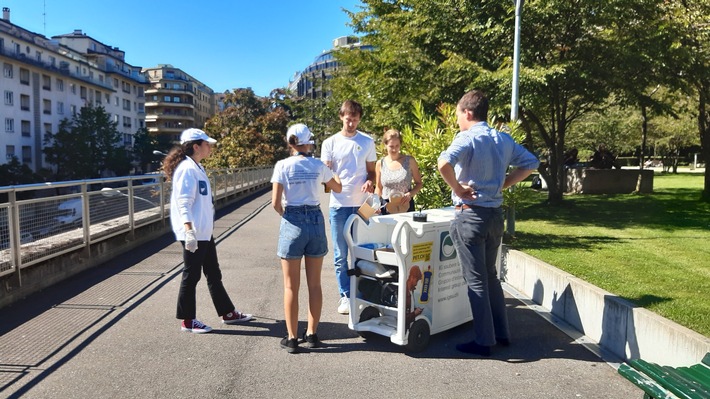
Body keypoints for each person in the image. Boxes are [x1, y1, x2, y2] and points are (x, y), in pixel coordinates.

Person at [437, 90, 539, 356]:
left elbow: (443, 162)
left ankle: (484, 341)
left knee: (476, 281)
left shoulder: (467, 137)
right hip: (495, 217)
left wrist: (458, 189)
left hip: (470, 216)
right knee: (491, 277)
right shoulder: (502, 139)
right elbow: (531, 162)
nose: (458, 120)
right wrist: (504, 183)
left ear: (467, 113)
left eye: (458, 114)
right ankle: (501, 333)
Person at [163, 128, 253, 334]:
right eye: (207, 144)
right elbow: (183, 202)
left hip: (203, 232)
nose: (210, 147)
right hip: (194, 233)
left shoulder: (197, 167)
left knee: (213, 272)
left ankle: (227, 312)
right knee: (191, 274)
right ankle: (188, 320)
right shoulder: (187, 169)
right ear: (196, 146)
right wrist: (188, 231)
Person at [271, 124, 342, 353]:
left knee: (291, 286)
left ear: (290, 143)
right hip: (315, 219)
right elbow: (338, 188)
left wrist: (288, 217)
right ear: (308, 142)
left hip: (292, 219)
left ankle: (292, 338)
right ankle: (312, 334)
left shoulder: (282, 166)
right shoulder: (318, 165)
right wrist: (331, 171)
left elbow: (275, 202)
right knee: (315, 284)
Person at [320, 100, 377, 315]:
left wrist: (370, 181)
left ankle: (363, 293)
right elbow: (325, 174)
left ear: (359, 119)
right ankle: (345, 295)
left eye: (354, 118)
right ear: (341, 117)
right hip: (339, 205)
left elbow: (372, 171)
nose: (350, 122)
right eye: (347, 118)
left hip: (364, 205)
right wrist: (331, 180)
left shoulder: (367, 141)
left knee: (364, 251)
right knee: (340, 254)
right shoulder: (330, 143)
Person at [375, 129, 423, 215]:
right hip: (386, 207)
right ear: (385, 145)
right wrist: (375, 205)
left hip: (405, 205)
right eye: (391, 146)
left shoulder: (410, 161)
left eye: (397, 146)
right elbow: (378, 188)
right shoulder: (380, 163)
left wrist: (410, 194)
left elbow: (419, 183)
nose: (394, 149)